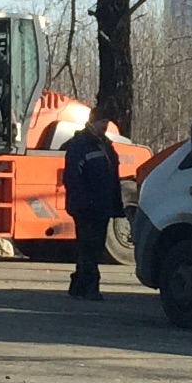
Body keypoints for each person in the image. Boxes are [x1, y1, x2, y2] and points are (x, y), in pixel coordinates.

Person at [60, 117, 125, 299]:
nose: (104, 126)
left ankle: (78, 286)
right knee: (89, 246)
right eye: (101, 123)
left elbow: (113, 177)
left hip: (102, 205)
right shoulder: (80, 145)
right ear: (92, 122)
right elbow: (72, 178)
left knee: (93, 247)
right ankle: (90, 288)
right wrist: (82, 203)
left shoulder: (106, 146)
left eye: (106, 123)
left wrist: (116, 205)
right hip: (86, 206)